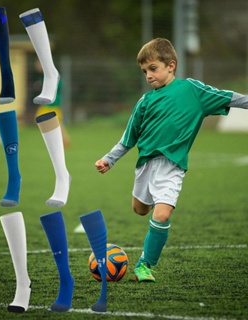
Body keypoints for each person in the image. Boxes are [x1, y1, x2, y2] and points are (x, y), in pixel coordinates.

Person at [95, 38, 248, 283]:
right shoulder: (145, 102)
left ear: (171, 66)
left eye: (153, 69)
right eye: (144, 71)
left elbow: (228, 97)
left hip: (172, 167)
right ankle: (145, 210)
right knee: (140, 209)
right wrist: (109, 160)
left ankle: (145, 265)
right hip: (145, 165)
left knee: (162, 214)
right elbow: (128, 138)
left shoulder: (192, 91)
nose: (148, 75)